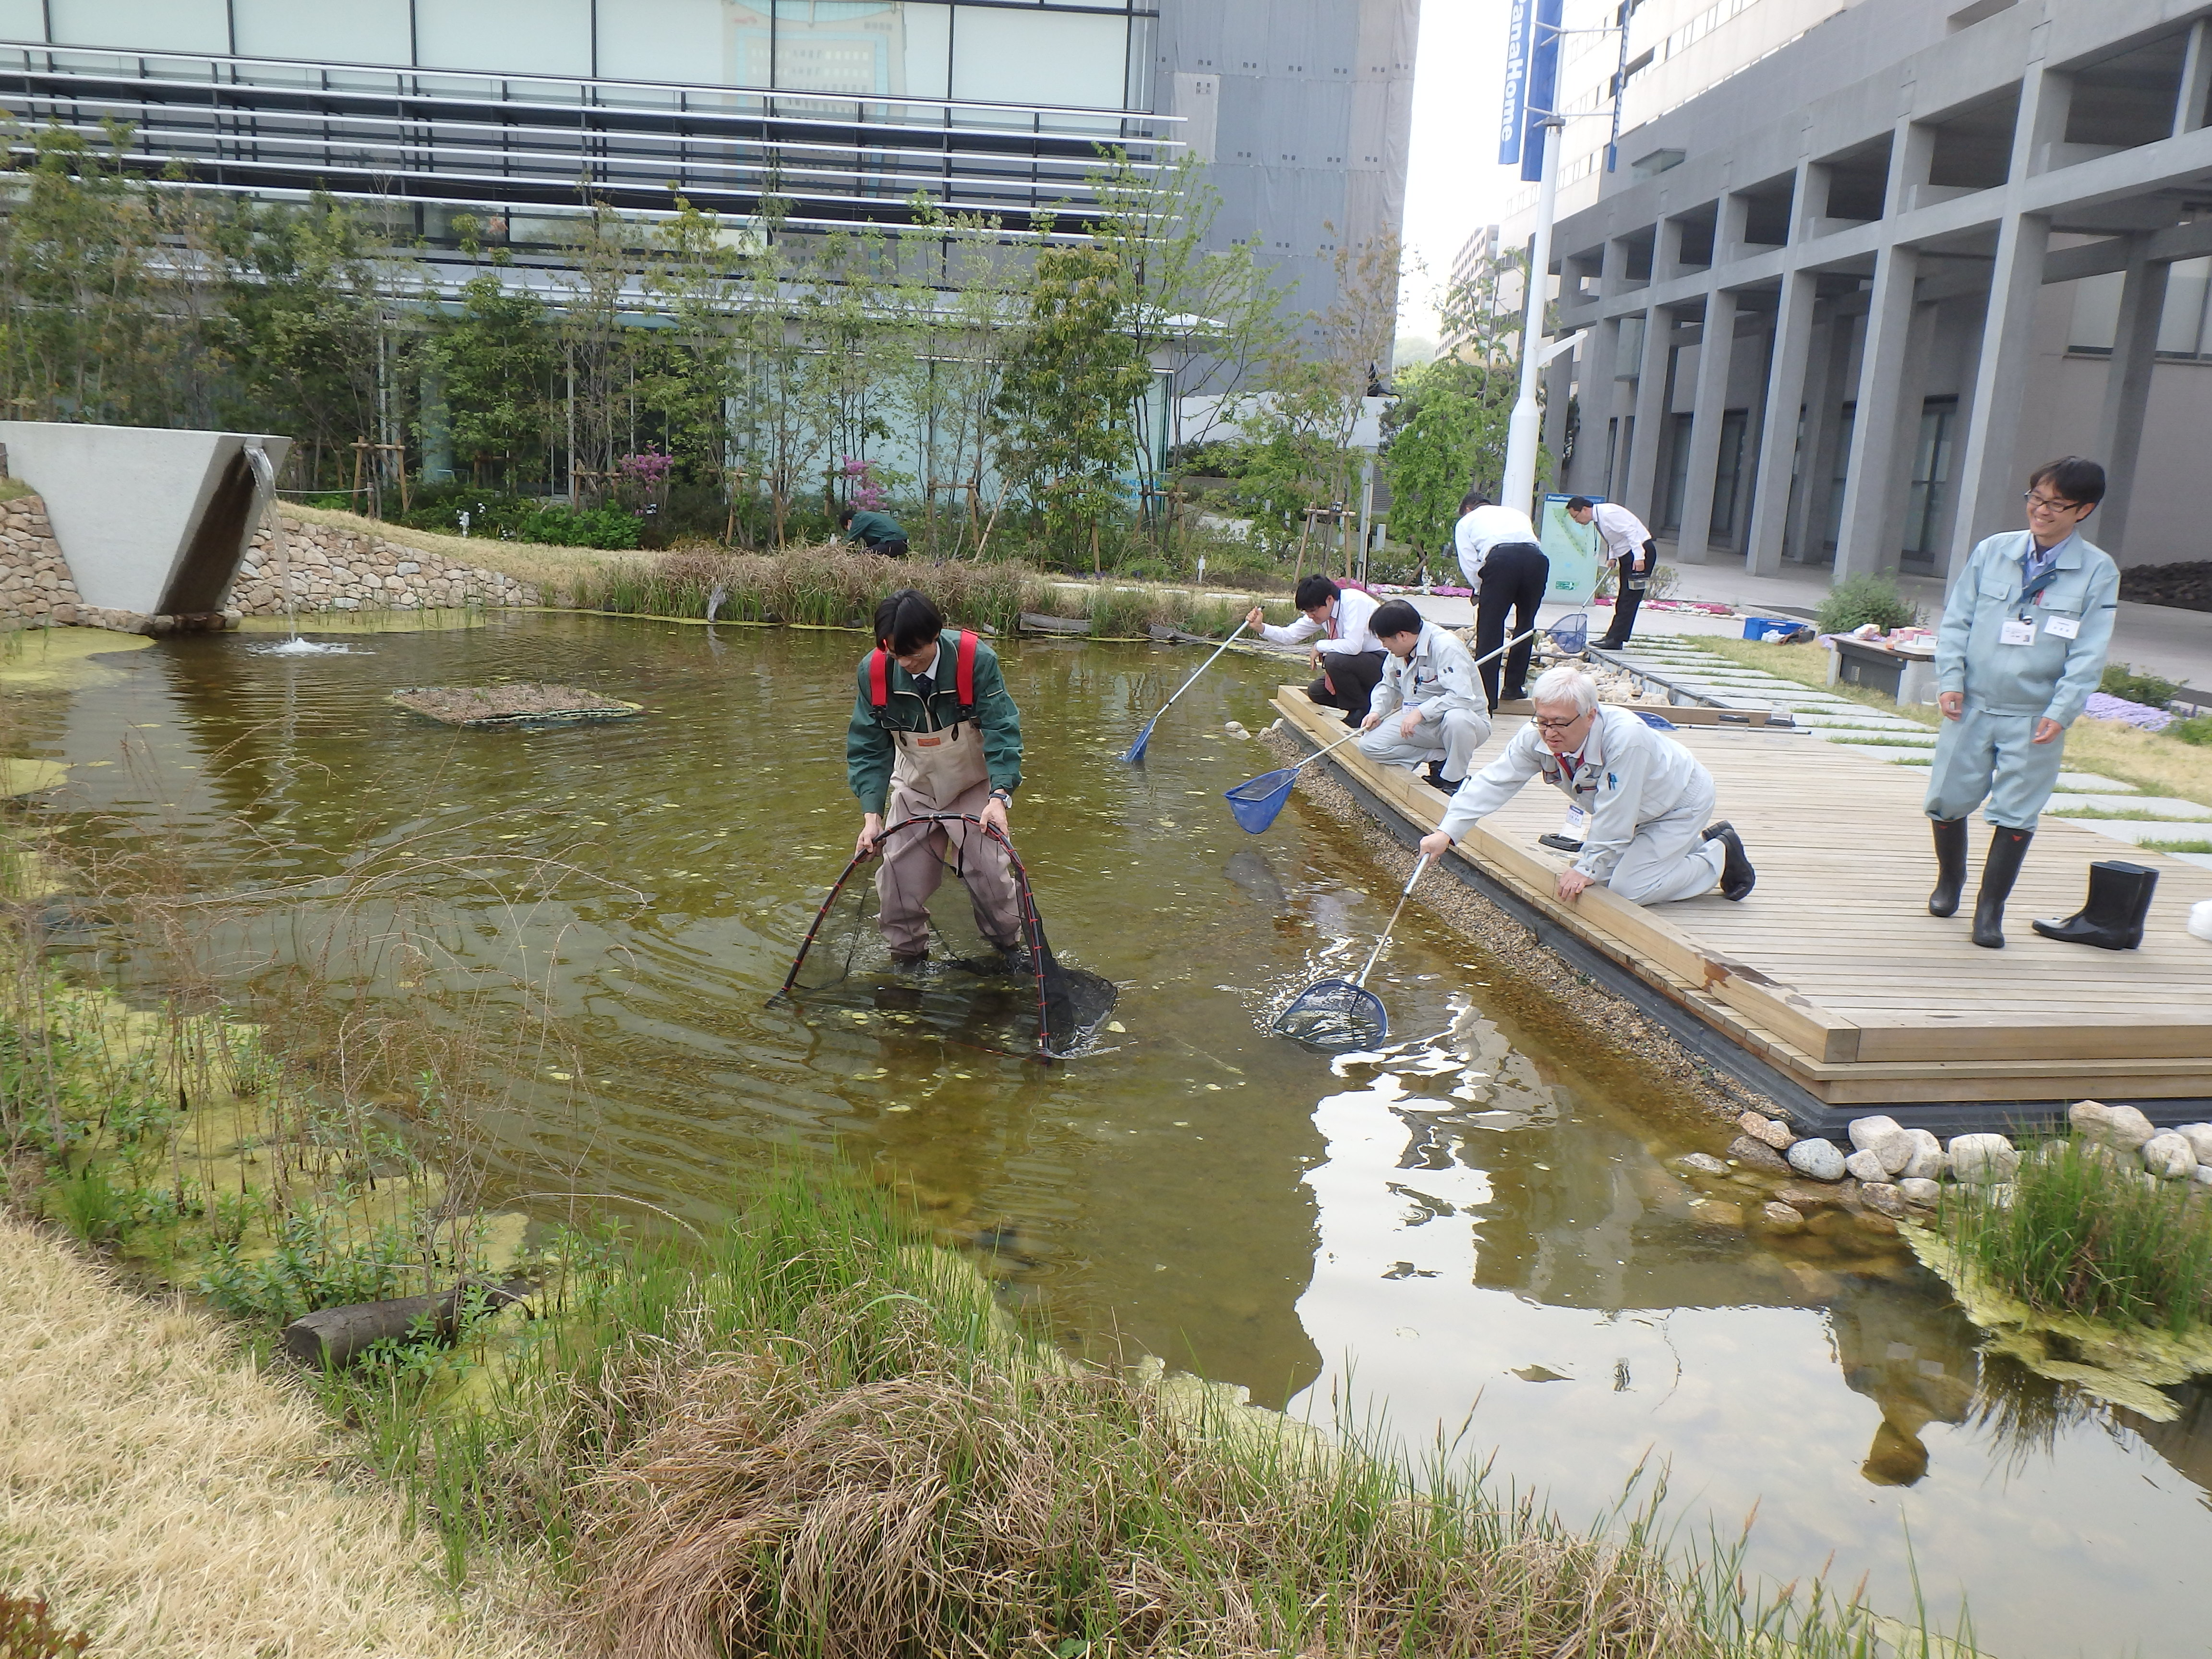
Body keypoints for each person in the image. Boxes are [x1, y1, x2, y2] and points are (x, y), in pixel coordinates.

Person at [1924, 456, 2119, 949]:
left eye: (2058, 504)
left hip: (2035, 714)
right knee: (1946, 800)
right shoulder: (1993, 551)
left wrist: (2062, 710)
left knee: (2017, 813)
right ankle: (1950, 882)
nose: (2043, 511)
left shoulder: (2097, 572)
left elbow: (2090, 649)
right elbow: (1957, 621)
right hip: (1971, 704)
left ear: (2085, 510)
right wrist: (1950, 678)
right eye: (2036, 498)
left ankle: (1990, 912)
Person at [1418, 664, 1755, 906]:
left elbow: (1615, 815)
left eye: (1560, 723)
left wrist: (1587, 867)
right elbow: (1493, 782)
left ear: (1591, 715)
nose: (1549, 733)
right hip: (1635, 811)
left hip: (1679, 805)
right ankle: (1681, 852)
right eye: (1542, 721)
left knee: (1627, 890)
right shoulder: (1534, 736)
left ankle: (1718, 857)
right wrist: (1447, 832)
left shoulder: (1626, 739)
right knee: (1604, 877)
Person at [846, 588, 1026, 971]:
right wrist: (871, 817)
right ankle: (907, 967)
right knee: (896, 889)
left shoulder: (976, 661)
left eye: (915, 654)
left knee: (992, 883)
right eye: (896, 654)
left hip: (974, 787)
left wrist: (999, 797)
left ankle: (1008, 955)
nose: (906, 663)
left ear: (935, 636)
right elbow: (868, 748)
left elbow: (1001, 730)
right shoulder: (874, 671)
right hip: (915, 789)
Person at [1357, 599, 1492, 793]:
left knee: (1458, 719)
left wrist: (1421, 712)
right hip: (1420, 723)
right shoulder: (1398, 653)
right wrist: (1377, 711)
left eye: (1384, 641)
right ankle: (1437, 757)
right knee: (1369, 745)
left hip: (1464, 723)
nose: (1384, 646)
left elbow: (1462, 697)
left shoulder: (1446, 647)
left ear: (1402, 635)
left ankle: (1454, 780)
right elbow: (1388, 685)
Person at [1245, 575, 1388, 725]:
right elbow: (1289, 636)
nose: (1311, 616)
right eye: (1307, 612)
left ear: (1329, 599)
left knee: (1334, 660)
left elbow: (1353, 646)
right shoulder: (1322, 613)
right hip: (1360, 663)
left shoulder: (1354, 602)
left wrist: (1320, 645)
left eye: (1313, 611)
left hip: (1382, 661)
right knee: (1316, 692)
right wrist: (1261, 628)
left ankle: (1359, 711)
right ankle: (1371, 702)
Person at [1453, 492, 1550, 710]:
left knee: (1490, 628)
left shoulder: (1466, 522)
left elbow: (1469, 562)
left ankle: (1487, 697)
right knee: (1526, 625)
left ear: (1468, 509)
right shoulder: (1515, 514)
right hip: (1536, 561)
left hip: (1501, 561)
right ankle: (1513, 687)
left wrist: (1480, 590)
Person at [1566, 495, 1655, 648]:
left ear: (1585, 510)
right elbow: (1614, 539)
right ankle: (1613, 635)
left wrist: (1640, 558)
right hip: (1628, 555)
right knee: (1623, 597)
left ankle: (1617, 639)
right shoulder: (1599, 518)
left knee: (1629, 598)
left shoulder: (1608, 513)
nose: (1576, 521)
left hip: (1639, 553)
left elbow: (1631, 532)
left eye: (1576, 517)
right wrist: (1613, 557)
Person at [839, 505, 910, 559]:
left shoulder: (858, 518)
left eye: (847, 528)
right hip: (902, 544)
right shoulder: (869, 516)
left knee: (861, 557)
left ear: (849, 521)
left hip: (892, 542)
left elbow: (849, 541)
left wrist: (837, 549)